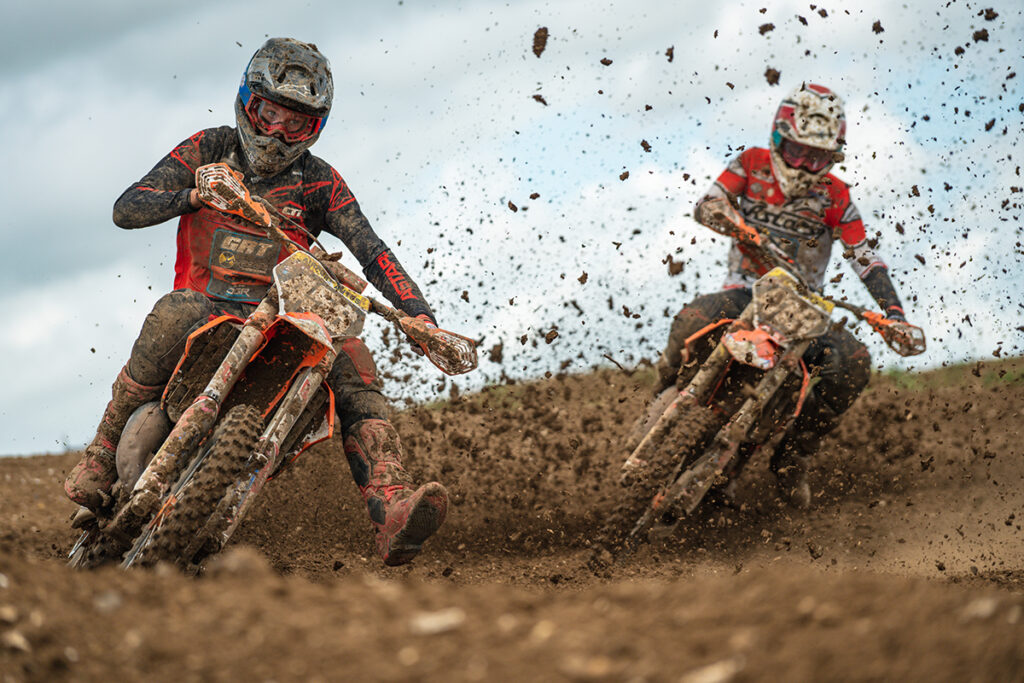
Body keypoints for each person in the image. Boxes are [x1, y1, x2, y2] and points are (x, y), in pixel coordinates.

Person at [64, 38, 447, 566]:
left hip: (285, 319)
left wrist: (421, 317)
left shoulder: (319, 180)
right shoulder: (209, 149)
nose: (277, 132)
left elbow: (372, 250)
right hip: (205, 308)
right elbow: (127, 207)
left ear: (314, 128)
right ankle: (102, 455)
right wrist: (193, 195)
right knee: (172, 310)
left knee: (352, 356)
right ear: (248, 103)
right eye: (269, 114)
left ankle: (390, 502)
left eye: (296, 123)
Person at [654, 83, 922, 508]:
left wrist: (894, 314)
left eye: (816, 158)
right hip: (745, 292)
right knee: (693, 318)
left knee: (853, 362)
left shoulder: (837, 195)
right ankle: (663, 389)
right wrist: (737, 225)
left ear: (832, 157)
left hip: (804, 306)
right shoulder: (751, 164)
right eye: (796, 152)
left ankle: (794, 453)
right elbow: (708, 203)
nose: (802, 165)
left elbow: (864, 257)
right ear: (778, 139)